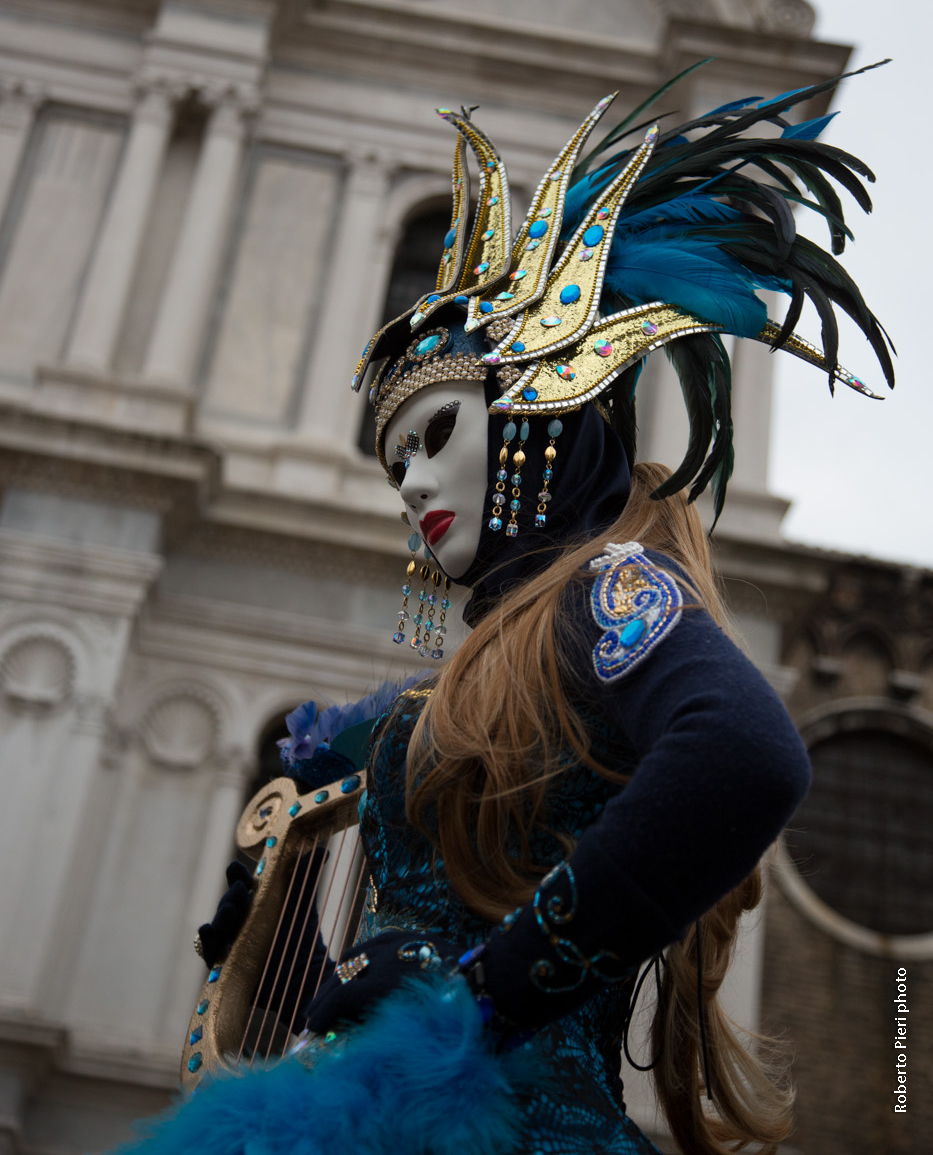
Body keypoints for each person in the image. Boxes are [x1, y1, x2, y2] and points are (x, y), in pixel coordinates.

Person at [118, 68, 892, 1155]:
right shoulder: (482, 671)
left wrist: (487, 994)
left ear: (536, 421)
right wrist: (277, 907)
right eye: (396, 463)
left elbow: (745, 758)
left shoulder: (607, 591)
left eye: (438, 435)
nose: (413, 485)